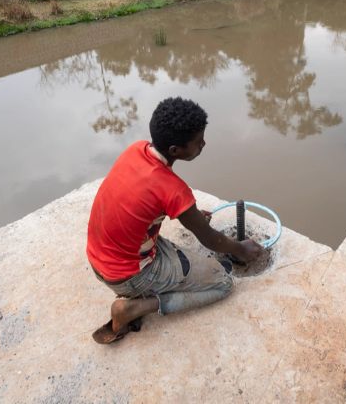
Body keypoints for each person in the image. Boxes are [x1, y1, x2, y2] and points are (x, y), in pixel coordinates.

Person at [86, 96, 264, 344]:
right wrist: (239, 248)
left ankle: (137, 292)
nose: (204, 143)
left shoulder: (136, 150)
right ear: (175, 151)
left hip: (101, 258)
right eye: (198, 141)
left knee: (188, 257)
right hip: (128, 274)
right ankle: (134, 308)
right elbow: (211, 239)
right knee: (223, 284)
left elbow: (144, 200)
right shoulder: (173, 189)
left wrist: (189, 214)